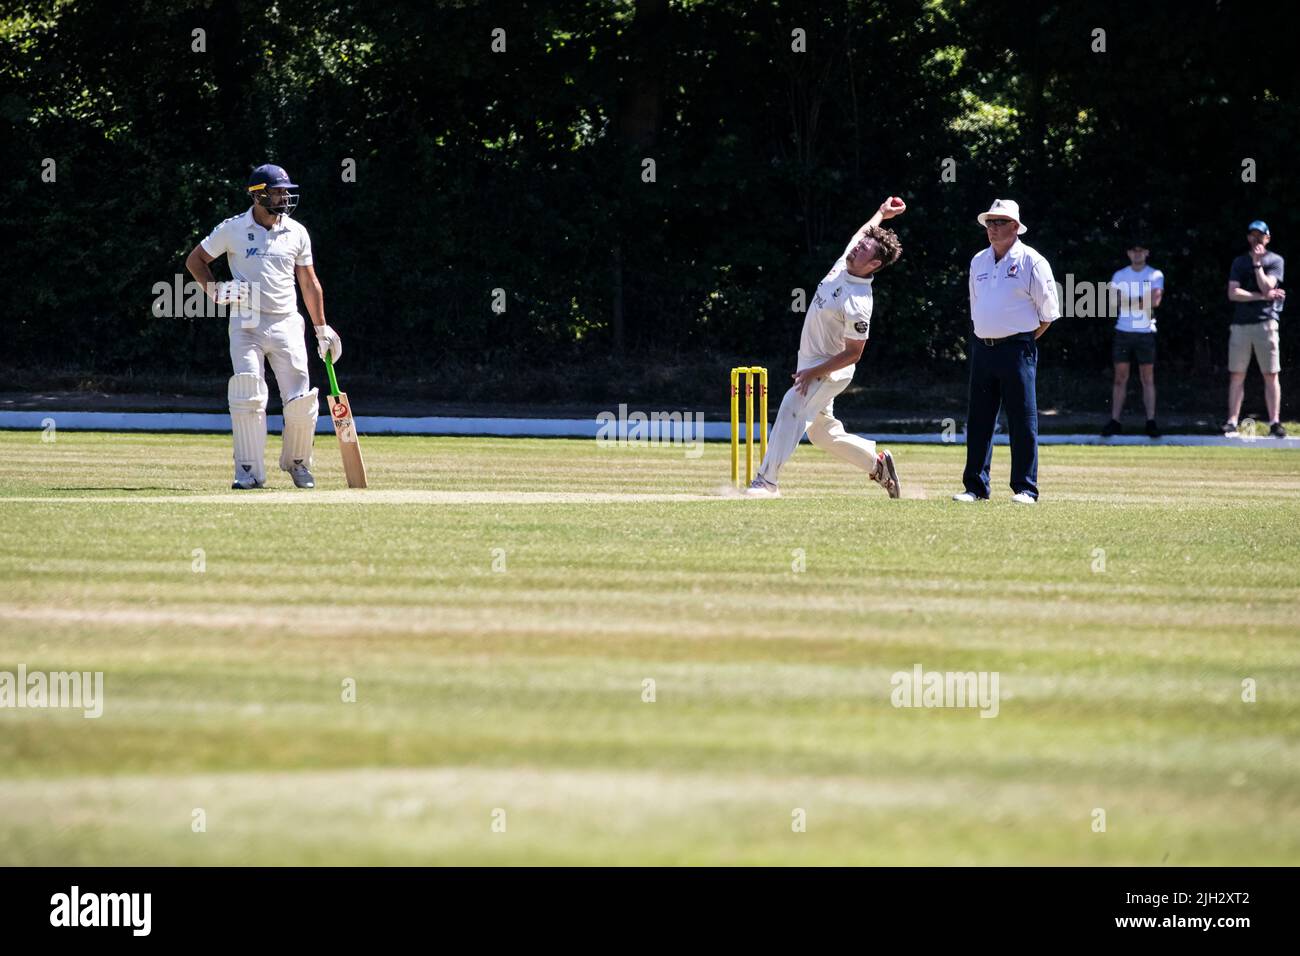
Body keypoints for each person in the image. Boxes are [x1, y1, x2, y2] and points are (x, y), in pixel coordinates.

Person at [184, 164, 343, 489]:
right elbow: (195, 260)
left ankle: (298, 464)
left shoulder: (296, 231)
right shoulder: (233, 229)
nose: (285, 196)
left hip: (287, 322)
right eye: (278, 191)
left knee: (300, 400)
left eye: (286, 190)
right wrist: (214, 291)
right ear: (258, 195)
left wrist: (321, 328)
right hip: (247, 321)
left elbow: (309, 282)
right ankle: (248, 472)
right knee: (248, 391)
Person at [744, 197, 906, 499]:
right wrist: (882, 214)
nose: (857, 247)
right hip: (811, 365)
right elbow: (863, 232)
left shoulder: (859, 302)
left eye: (863, 250)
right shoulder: (845, 264)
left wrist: (812, 373)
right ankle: (878, 463)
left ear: (873, 265)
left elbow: (854, 353)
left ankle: (766, 482)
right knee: (821, 433)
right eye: (858, 246)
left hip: (830, 370)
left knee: (792, 406)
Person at [953, 199, 1060, 505]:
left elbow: (1047, 314)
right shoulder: (978, 261)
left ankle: (1026, 488)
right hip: (982, 347)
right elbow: (977, 304)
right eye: (990, 222)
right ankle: (975, 486)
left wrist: (1020, 339)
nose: (993, 228)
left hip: (1017, 348)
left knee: (1022, 419)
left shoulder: (1032, 261)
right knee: (979, 419)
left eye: (1000, 222)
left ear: (1015, 227)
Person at [1224, 220, 1286, 438]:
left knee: (1271, 374)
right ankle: (1232, 421)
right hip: (1241, 325)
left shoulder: (1275, 260)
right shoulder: (1239, 262)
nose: (1256, 239)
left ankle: (1275, 422)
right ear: (1248, 237)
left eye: (1260, 235)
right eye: (1252, 235)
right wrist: (1261, 297)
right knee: (1237, 374)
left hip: (1265, 323)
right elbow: (1233, 294)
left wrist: (1258, 264)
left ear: (1267, 238)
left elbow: (1268, 285)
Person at [1101, 242, 1164, 438]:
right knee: (1120, 378)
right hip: (1123, 331)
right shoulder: (1119, 275)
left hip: (1145, 331)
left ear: (1147, 252)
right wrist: (1141, 299)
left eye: (1141, 250)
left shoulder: (1155, 274)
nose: (1137, 254)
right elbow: (1114, 302)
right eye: (1134, 250)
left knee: (1148, 378)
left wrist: (1128, 300)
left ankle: (1151, 421)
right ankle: (1115, 421)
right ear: (1128, 253)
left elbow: (1155, 301)